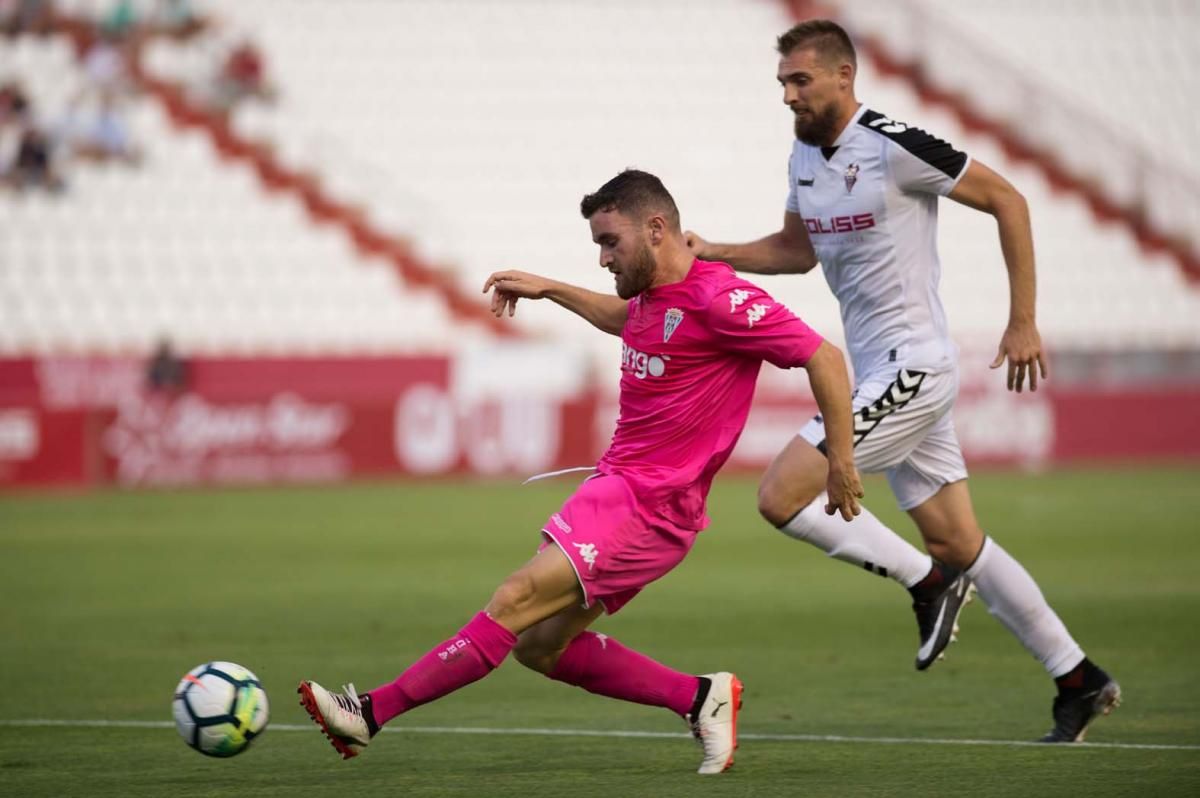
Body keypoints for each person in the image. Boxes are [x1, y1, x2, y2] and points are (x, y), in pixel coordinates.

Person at [298, 169, 865, 774]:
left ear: (655, 228)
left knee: (515, 598)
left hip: (648, 504)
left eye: (609, 242)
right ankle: (700, 698)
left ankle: (369, 713)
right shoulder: (653, 296)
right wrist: (550, 289)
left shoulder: (718, 298)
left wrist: (841, 461)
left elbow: (823, 357)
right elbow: (628, 320)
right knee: (541, 647)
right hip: (622, 493)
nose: (602, 259)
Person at [684, 19, 1120, 743]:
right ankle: (1078, 678)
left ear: (844, 77)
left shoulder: (893, 144)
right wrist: (715, 252)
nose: (789, 95)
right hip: (885, 372)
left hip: (914, 365)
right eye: (783, 84)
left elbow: (1009, 199)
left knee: (780, 494)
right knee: (960, 540)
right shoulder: (801, 155)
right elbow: (796, 252)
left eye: (801, 81)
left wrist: (1023, 322)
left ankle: (927, 585)